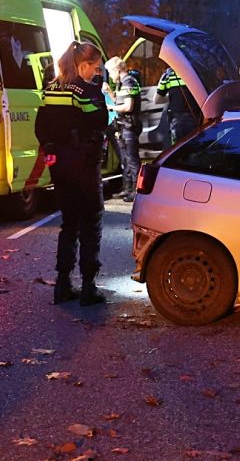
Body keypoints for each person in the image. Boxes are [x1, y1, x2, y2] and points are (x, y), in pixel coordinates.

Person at [36, 41, 108, 306]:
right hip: (84, 165)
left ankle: (62, 284)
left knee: (69, 224)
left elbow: (41, 125)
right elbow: (100, 121)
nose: (96, 73)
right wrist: (98, 93)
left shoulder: (51, 88)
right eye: (95, 67)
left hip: (60, 166)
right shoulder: (85, 90)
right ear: (83, 64)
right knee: (91, 223)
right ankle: (89, 286)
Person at [104, 56, 141, 202]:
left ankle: (137, 191)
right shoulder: (122, 84)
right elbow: (119, 101)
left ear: (117, 70)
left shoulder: (129, 82)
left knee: (132, 161)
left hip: (129, 126)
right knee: (125, 160)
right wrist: (110, 92)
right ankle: (128, 189)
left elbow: (127, 106)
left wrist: (110, 107)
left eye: (110, 72)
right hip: (123, 126)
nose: (111, 76)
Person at [154, 67, 198, 144]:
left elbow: (157, 100)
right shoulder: (196, 71)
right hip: (196, 119)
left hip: (178, 121)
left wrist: (172, 97)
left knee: (179, 151)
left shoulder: (168, 75)